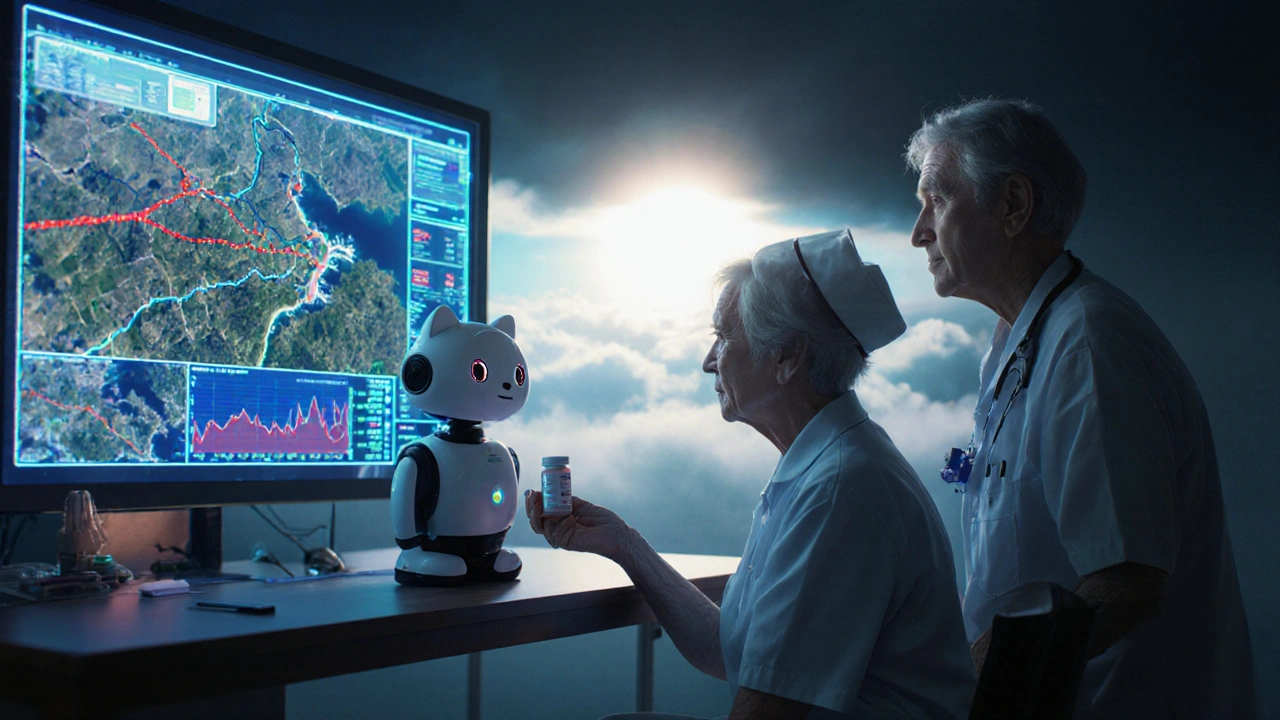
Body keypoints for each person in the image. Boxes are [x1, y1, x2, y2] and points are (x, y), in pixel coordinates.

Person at [526, 229, 976, 720]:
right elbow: (728, 653)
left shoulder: (838, 492)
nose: (707, 362)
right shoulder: (826, 467)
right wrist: (624, 544)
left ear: (787, 356)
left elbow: (769, 708)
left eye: (723, 337)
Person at [905, 98, 1259, 718]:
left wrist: (970, 692)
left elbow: (1128, 582)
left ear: (1013, 205)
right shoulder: (1018, 344)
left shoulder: (1090, 345)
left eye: (936, 200)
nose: (919, 232)